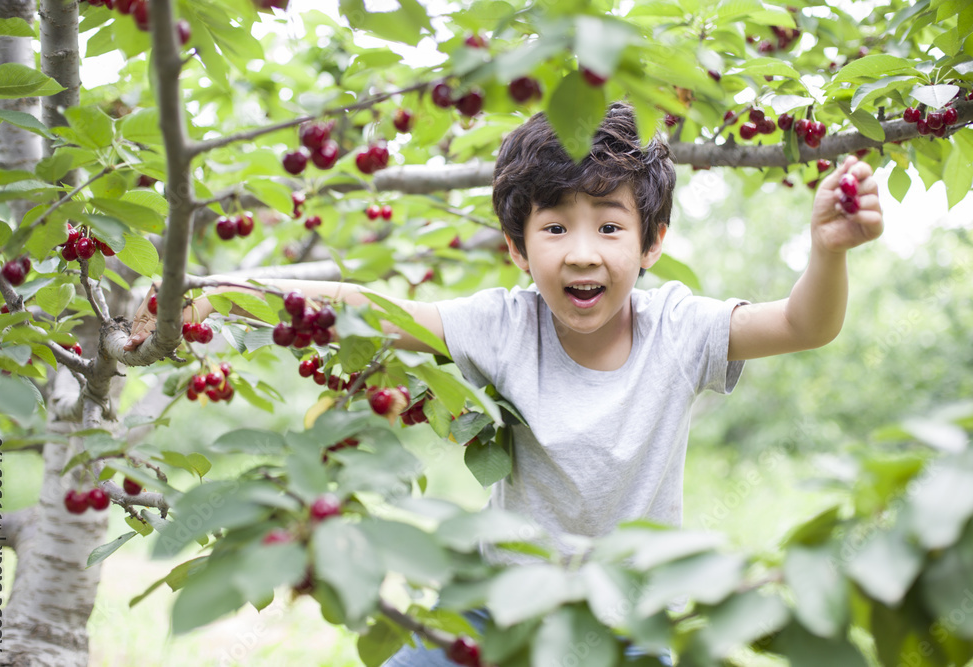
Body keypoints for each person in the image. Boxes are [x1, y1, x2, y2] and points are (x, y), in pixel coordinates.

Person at [125, 102, 883, 665]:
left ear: (653, 243)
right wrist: (215, 289)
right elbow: (370, 309)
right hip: (500, 611)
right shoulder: (503, 326)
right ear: (518, 250)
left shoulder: (679, 330)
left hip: (632, 619)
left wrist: (828, 252)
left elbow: (802, 325)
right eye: (554, 228)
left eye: (609, 226)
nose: (582, 252)